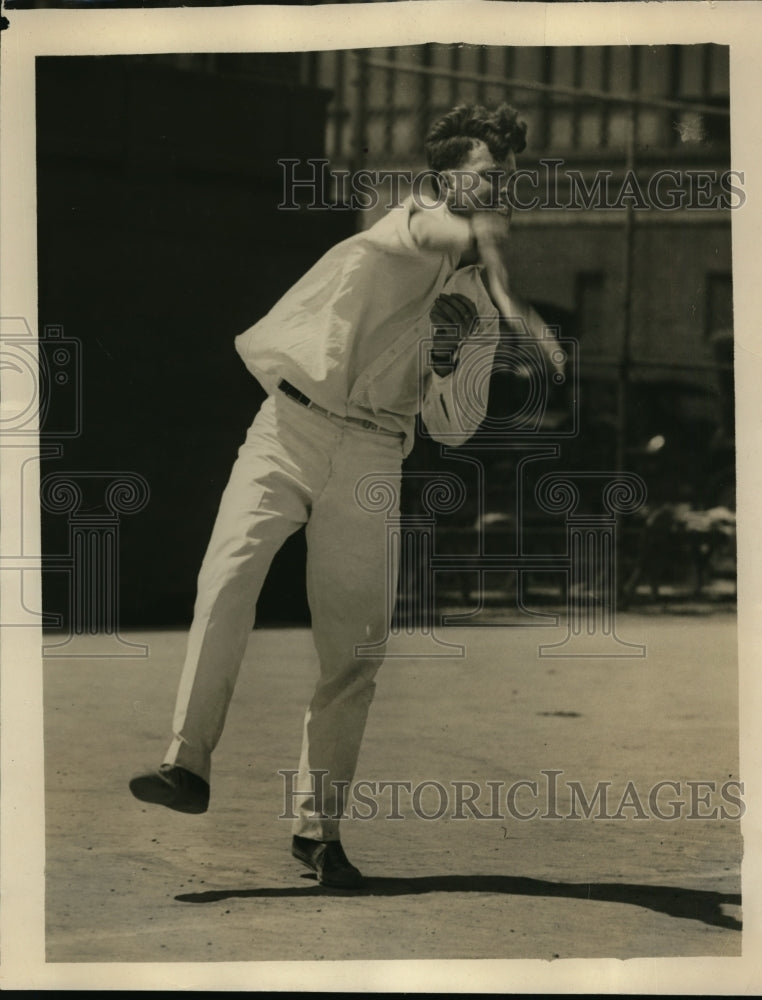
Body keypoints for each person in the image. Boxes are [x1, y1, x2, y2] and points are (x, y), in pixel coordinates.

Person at [129, 103, 559, 888]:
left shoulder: (476, 308)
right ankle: (183, 764)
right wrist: (487, 262)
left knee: (354, 651)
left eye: (505, 179)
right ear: (439, 182)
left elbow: (456, 428)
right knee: (225, 582)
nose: (497, 191)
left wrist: (446, 353)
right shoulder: (400, 228)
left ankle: (317, 834)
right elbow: (429, 236)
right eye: (482, 176)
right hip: (287, 428)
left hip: (371, 456)